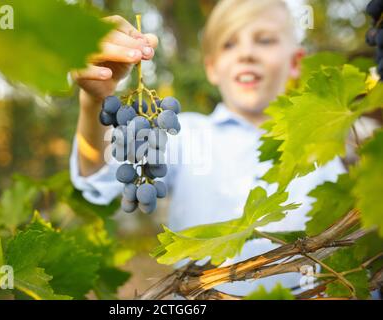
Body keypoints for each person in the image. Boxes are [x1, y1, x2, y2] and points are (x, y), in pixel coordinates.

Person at [69, 0, 345, 296]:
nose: (247, 53)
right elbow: (99, 176)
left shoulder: (323, 148)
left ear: (295, 63)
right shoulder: (182, 132)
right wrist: (95, 100)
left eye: (264, 40)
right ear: (212, 68)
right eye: (229, 44)